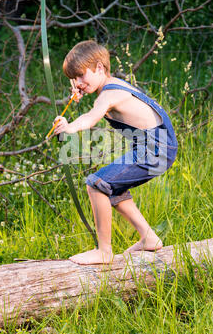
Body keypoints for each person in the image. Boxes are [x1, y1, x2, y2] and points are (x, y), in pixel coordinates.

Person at [53, 40, 178, 265]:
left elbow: (92, 117)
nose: (78, 83)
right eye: (74, 80)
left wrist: (70, 127)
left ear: (99, 68)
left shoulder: (108, 95)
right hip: (159, 147)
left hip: (156, 150)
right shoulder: (111, 86)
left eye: (81, 76)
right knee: (113, 185)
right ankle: (149, 237)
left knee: (97, 183)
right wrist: (75, 102)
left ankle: (104, 251)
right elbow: (97, 108)